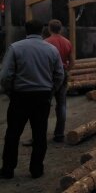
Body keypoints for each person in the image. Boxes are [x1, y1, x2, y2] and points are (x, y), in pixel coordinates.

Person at [0, 19, 64, 179]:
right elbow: (59, 75)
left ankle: (8, 169)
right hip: (42, 97)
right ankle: (36, 169)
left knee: (13, 134)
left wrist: (10, 91)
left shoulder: (15, 48)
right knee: (40, 134)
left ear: (25, 30)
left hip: (20, 96)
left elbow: (5, 75)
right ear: (42, 30)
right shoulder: (52, 50)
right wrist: (51, 91)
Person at [44, 19, 74, 143]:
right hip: (62, 76)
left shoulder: (45, 43)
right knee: (61, 105)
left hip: (48, 77)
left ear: (49, 29)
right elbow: (72, 62)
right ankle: (59, 134)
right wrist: (66, 70)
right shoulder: (67, 42)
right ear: (60, 29)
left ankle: (39, 134)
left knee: (44, 106)